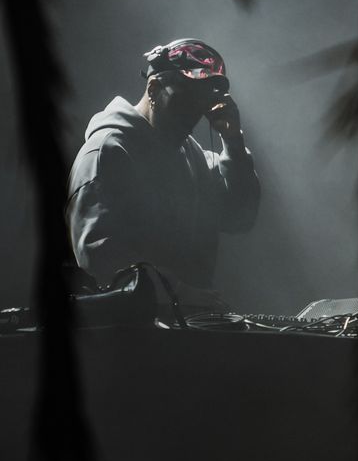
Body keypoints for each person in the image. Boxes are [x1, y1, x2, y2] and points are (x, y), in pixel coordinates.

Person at [65, 39, 260, 308]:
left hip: (186, 331)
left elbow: (240, 216)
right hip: (130, 335)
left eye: (202, 101)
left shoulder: (191, 155)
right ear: (154, 88)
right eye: (187, 98)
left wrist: (234, 143)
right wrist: (180, 294)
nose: (196, 112)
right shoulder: (107, 152)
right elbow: (100, 258)